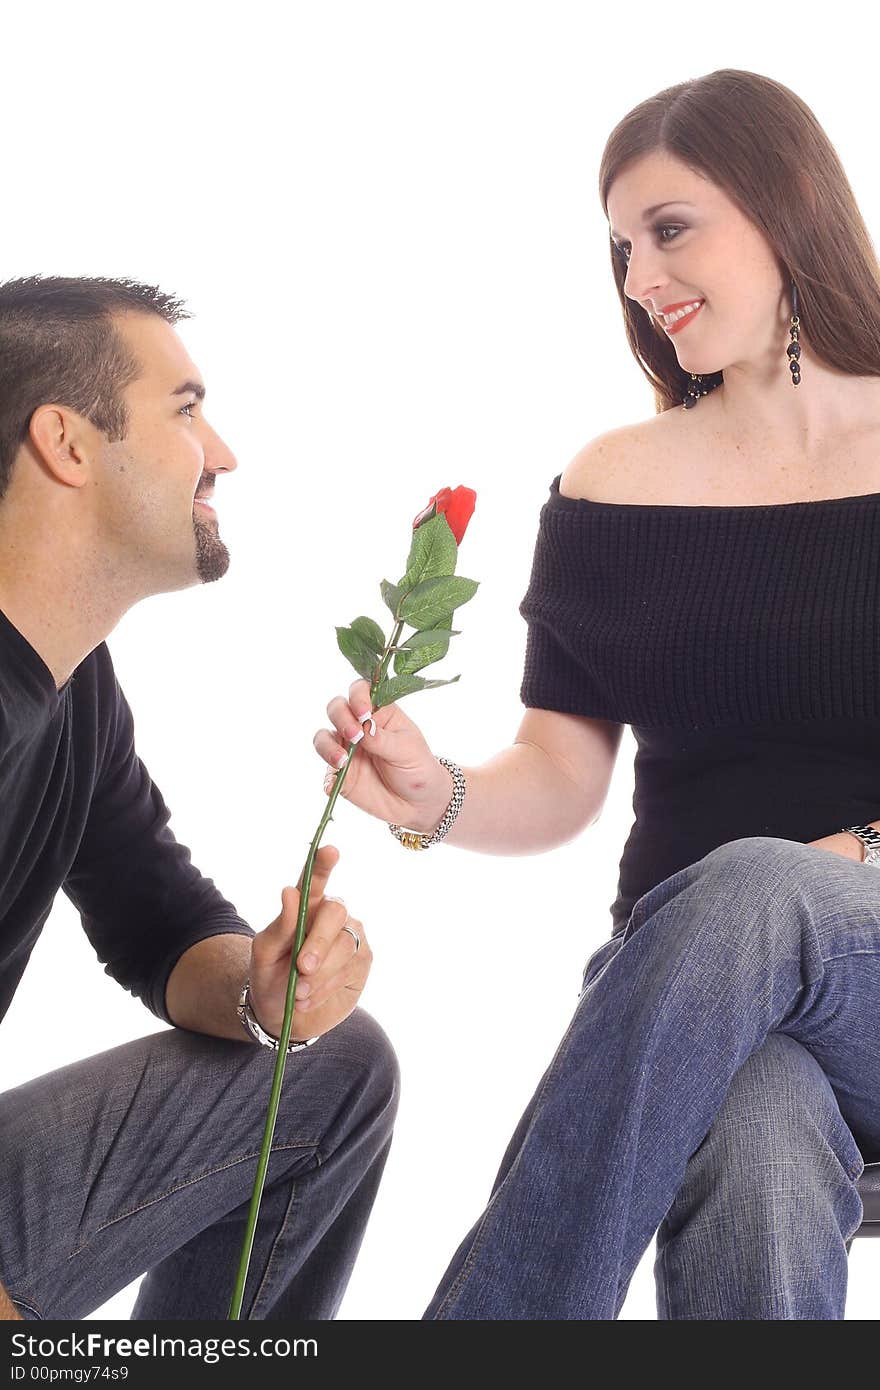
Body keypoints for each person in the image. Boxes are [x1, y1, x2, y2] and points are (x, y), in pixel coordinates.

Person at [313, 68, 880, 1319]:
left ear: (786, 210)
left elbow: (784, 883)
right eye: (620, 247)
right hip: (694, 1000)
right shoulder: (616, 482)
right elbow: (563, 772)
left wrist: (846, 858)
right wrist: (439, 789)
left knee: (752, 878)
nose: (638, 279)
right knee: (761, 1135)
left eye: (670, 230)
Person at [0, 275, 399, 1322]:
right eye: (184, 410)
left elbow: (158, 921)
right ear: (67, 443)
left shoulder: (71, 682)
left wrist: (264, 996)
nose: (221, 453)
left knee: (323, 1066)